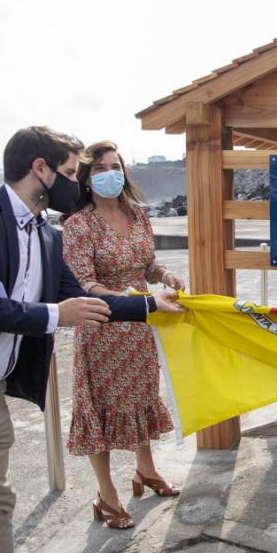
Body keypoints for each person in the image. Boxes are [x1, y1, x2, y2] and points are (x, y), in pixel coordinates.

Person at [0, 126, 184, 553]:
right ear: (40, 169)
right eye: (71, 172)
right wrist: (54, 314)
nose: (78, 182)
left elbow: (79, 296)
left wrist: (150, 304)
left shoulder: (46, 236)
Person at [60, 140, 185, 529]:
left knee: (141, 399)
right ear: (86, 179)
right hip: (102, 329)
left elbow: (147, 265)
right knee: (99, 410)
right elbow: (84, 282)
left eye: (115, 167)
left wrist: (165, 275)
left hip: (140, 329)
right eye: (99, 169)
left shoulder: (138, 215)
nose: (109, 174)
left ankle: (146, 470)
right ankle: (106, 494)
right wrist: (131, 300)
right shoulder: (78, 225)